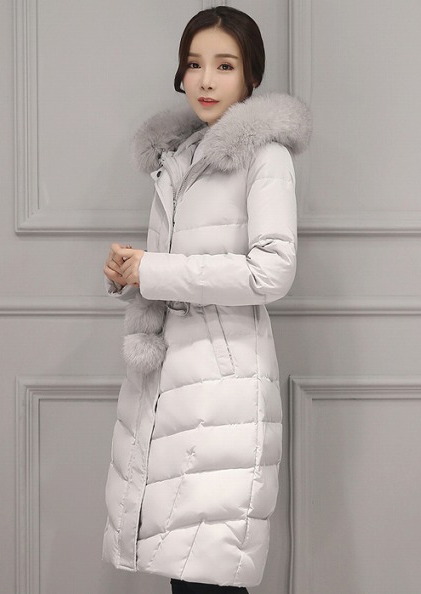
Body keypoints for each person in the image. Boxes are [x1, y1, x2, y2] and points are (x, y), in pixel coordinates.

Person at [102, 6, 312, 593]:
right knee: (183, 572)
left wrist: (156, 270)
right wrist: (132, 274)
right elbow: (178, 266)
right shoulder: (178, 159)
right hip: (170, 381)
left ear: (250, 75)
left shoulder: (264, 156)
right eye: (194, 65)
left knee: (209, 572)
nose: (206, 80)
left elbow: (271, 272)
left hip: (223, 386)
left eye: (224, 65)